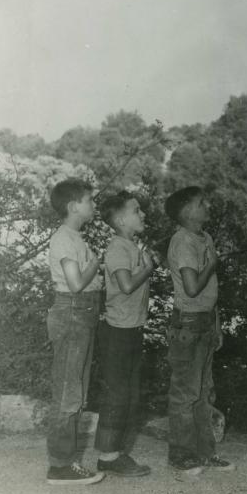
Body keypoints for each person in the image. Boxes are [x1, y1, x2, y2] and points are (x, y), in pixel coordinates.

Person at [164, 186, 234, 474]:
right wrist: (212, 264)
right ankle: (180, 456)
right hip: (188, 325)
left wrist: (217, 326)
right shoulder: (183, 241)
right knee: (185, 393)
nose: (208, 206)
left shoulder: (205, 238)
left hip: (205, 323)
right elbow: (192, 288)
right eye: (201, 203)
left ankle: (205, 453)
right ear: (186, 212)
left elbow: (210, 293)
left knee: (204, 392)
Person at [46, 178, 104, 485]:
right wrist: (96, 264)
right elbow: (76, 283)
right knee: (68, 392)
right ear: (73, 206)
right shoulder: (64, 239)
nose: (93, 204)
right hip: (72, 312)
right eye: (89, 200)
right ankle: (60, 465)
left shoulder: (75, 238)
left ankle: (66, 461)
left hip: (82, 313)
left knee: (76, 391)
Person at [94, 191, 154, 477]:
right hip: (117, 333)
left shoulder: (131, 246)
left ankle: (115, 452)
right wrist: (149, 268)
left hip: (131, 330)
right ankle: (107, 456)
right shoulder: (118, 247)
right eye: (136, 210)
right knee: (117, 395)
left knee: (128, 395)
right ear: (120, 220)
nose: (143, 214)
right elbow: (126, 285)